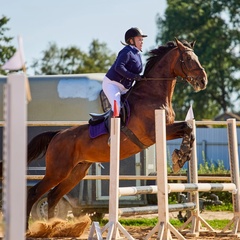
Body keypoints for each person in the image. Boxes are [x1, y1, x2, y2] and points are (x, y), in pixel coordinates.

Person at [102, 27, 147, 145]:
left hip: (124, 88)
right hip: (112, 84)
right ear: (131, 41)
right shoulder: (126, 51)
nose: (142, 42)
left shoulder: (137, 54)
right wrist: (133, 76)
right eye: (139, 39)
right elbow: (119, 67)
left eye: (142, 40)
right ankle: (112, 135)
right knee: (117, 105)